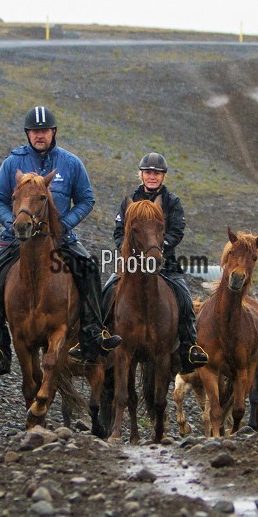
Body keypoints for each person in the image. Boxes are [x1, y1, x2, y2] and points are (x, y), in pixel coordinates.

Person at [0, 106, 120, 374]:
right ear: (28, 134)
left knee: (89, 268)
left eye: (44, 130)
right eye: (34, 131)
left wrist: (64, 224)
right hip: (17, 238)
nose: (39, 135)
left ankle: (92, 334)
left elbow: (86, 199)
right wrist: (12, 224)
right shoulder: (12, 163)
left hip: (59, 239)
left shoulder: (71, 163)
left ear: (53, 132)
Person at [105, 152, 210, 371]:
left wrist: (158, 249)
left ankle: (190, 347)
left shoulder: (172, 202)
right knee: (106, 290)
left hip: (164, 263)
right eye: (148, 173)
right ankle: (101, 335)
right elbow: (118, 232)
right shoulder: (129, 201)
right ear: (141, 175)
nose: (152, 177)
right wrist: (128, 250)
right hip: (132, 263)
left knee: (184, 297)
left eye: (157, 173)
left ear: (163, 177)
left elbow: (177, 231)